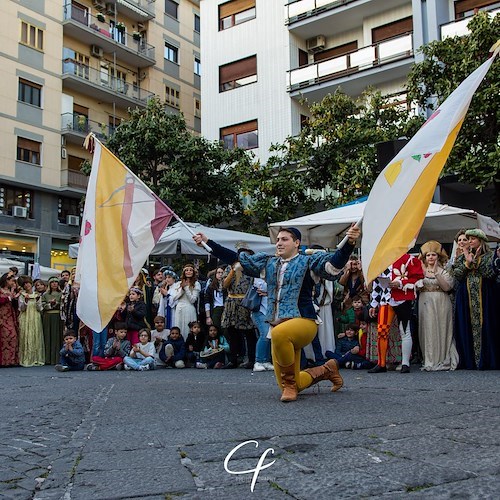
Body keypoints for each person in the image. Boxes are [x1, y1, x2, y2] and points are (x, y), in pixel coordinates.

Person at [193, 224, 360, 402]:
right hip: (278, 325)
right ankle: (327, 370)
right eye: (278, 240)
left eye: (285, 239)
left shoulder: (308, 261)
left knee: (280, 338)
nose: (279, 243)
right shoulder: (268, 262)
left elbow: (334, 264)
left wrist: (349, 243)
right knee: (293, 381)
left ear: (297, 243)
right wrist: (207, 242)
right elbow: (236, 258)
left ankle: (290, 385)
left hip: (304, 321)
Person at [452, 229, 499, 369]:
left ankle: (487, 360)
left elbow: (490, 273)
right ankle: (470, 360)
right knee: (467, 326)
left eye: (472, 239)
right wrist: (467, 261)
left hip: (486, 297)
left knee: (488, 326)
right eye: (469, 239)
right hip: (465, 298)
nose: (469, 241)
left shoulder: (490, 256)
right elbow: (457, 275)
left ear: (480, 241)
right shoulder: (462, 257)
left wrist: (476, 262)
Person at [368, 253, 423, 374]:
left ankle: (405, 363)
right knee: (381, 332)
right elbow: (377, 284)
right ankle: (381, 364)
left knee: (405, 331)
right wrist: (374, 303)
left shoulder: (409, 259)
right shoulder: (382, 259)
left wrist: (401, 283)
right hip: (385, 301)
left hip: (402, 299)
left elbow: (418, 278)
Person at [416, 241, 458, 371]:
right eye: (428, 255)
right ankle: (429, 359)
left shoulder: (444, 271)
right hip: (425, 302)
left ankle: (441, 359)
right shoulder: (419, 271)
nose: (430, 257)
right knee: (427, 329)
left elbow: (447, 287)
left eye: (433, 254)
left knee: (442, 327)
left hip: (441, 302)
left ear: (438, 256)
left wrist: (436, 273)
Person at [220, 245, 257, 369]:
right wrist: (232, 271)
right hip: (231, 301)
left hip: (246, 301)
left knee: (249, 332)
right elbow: (223, 286)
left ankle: (252, 359)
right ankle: (233, 360)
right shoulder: (229, 268)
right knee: (231, 331)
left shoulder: (252, 269)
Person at [17, 276, 45, 367]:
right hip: (25, 317)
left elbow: (40, 308)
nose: (26, 285)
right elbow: (21, 309)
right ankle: (26, 358)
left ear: (31, 283)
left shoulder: (37, 294)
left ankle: (36, 358)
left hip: (35, 317)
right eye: (24, 284)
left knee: (35, 335)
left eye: (27, 283)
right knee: (26, 336)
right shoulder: (22, 295)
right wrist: (25, 301)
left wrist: (37, 301)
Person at [171, 264, 201, 340]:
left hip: (189, 308)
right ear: (184, 272)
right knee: (179, 327)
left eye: (190, 270)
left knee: (188, 329)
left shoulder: (196, 284)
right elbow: (174, 297)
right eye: (187, 270)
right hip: (179, 308)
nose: (188, 272)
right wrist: (182, 289)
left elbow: (192, 300)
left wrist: (186, 288)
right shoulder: (178, 284)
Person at [251, 277, 274, 372]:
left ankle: (266, 360)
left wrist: (268, 292)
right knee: (264, 334)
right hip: (259, 310)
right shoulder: (257, 278)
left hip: (268, 311)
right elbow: (267, 287)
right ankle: (258, 361)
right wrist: (270, 291)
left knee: (269, 335)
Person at [42, 277, 64, 365]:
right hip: (48, 317)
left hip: (57, 316)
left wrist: (56, 304)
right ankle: (48, 358)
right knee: (48, 336)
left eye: (56, 282)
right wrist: (49, 304)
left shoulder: (61, 294)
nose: (54, 284)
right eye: (52, 282)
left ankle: (57, 358)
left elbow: (64, 304)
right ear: (49, 284)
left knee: (57, 337)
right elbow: (42, 305)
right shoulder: (45, 294)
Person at [0, 273, 20, 367]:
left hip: (10, 316)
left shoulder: (13, 290)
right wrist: (9, 298)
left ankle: (11, 360)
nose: (13, 282)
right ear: (6, 280)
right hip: (2, 316)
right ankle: (3, 361)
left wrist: (14, 296)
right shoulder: (1, 290)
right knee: (3, 337)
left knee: (13, 336)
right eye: (11, 280)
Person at [155, 267, 178, 332]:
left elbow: (175, 302)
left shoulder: (176, 288)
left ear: (174, 278)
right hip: (165, 312)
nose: (167, 279)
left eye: (169, 277)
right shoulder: (167, 288)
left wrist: (167, 295)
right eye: (166, 277)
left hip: (173, 312)